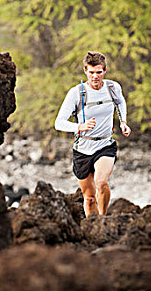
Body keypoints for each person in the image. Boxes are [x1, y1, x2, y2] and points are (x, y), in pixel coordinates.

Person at [55, 51, 131, 217]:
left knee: (101, 182)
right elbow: (58, 123)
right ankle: (92, 227)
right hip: (82, 149)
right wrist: (79, 127)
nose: (95, 76)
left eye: (98, 72)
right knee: (89, 198)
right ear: (85, 71)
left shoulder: (113, 87)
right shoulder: (77, 93)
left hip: (105, 145)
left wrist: (123, 122)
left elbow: (120, 102)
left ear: (104, 70)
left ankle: (103, 218)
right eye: (91, 72)